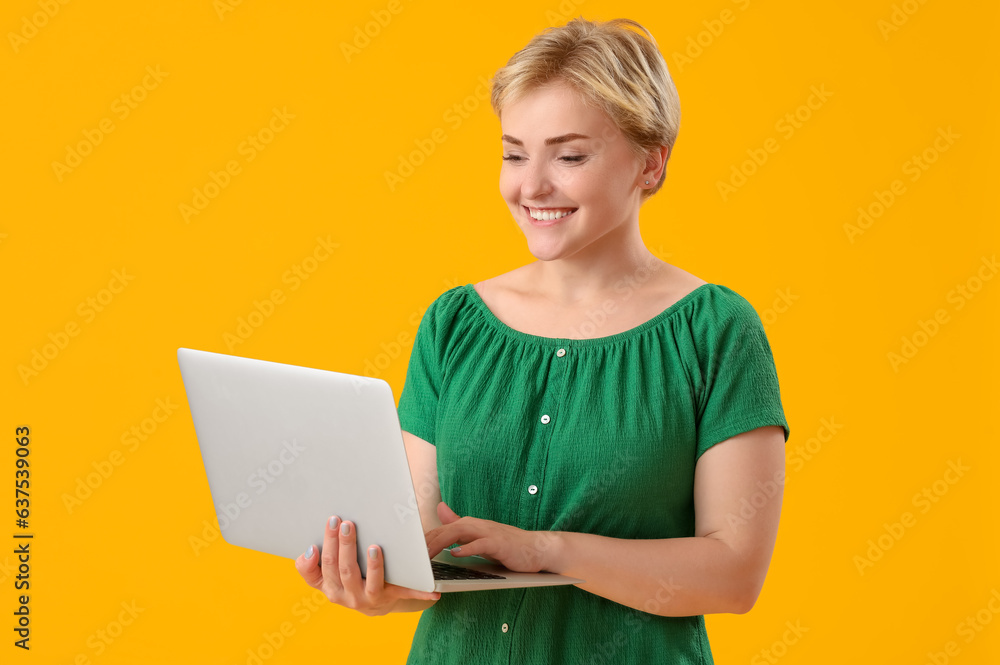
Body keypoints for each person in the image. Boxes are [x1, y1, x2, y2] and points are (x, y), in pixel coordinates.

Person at [294, 15, 790, 664]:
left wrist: (547, 549)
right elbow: (426, 549)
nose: (531, 186)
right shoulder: (454, 324)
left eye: (570, 155)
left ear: (651, 160)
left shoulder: (716, 331)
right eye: (514, 153)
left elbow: (732, 574)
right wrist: (378, 585)